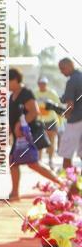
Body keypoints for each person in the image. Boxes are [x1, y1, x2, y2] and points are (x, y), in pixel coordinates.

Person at [8, 68, 61, 199]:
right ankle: (14, 193)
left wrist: (20, 124)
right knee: (13, 162)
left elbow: (34, 112)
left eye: (6, 81)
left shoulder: (26, 93)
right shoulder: (11, 96)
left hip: (28, 134)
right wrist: (9, 130)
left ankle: (62, 183)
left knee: (33, 164)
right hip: (18, 137)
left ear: (14, 80)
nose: (5, 85)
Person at [58, 58, 82, 169]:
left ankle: (69, 183)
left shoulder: (72, 81)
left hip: (75, 121)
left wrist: (64, 114)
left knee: (66, 154)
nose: (61, 72)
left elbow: (70, 106)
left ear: (70, 66)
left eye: (62, 69)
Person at [35, 76, 62, 169]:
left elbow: (58, 106)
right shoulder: (35, 93)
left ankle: (50, 160)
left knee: (51, 141)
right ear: (38, 84)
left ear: (46, 84)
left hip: (51, 120)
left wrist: (60, 121)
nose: (42, 85)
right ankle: (39, 161)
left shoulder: (52, 93)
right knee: (39, 141)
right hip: (39, 121)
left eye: (44, 84)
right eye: (41, 83)